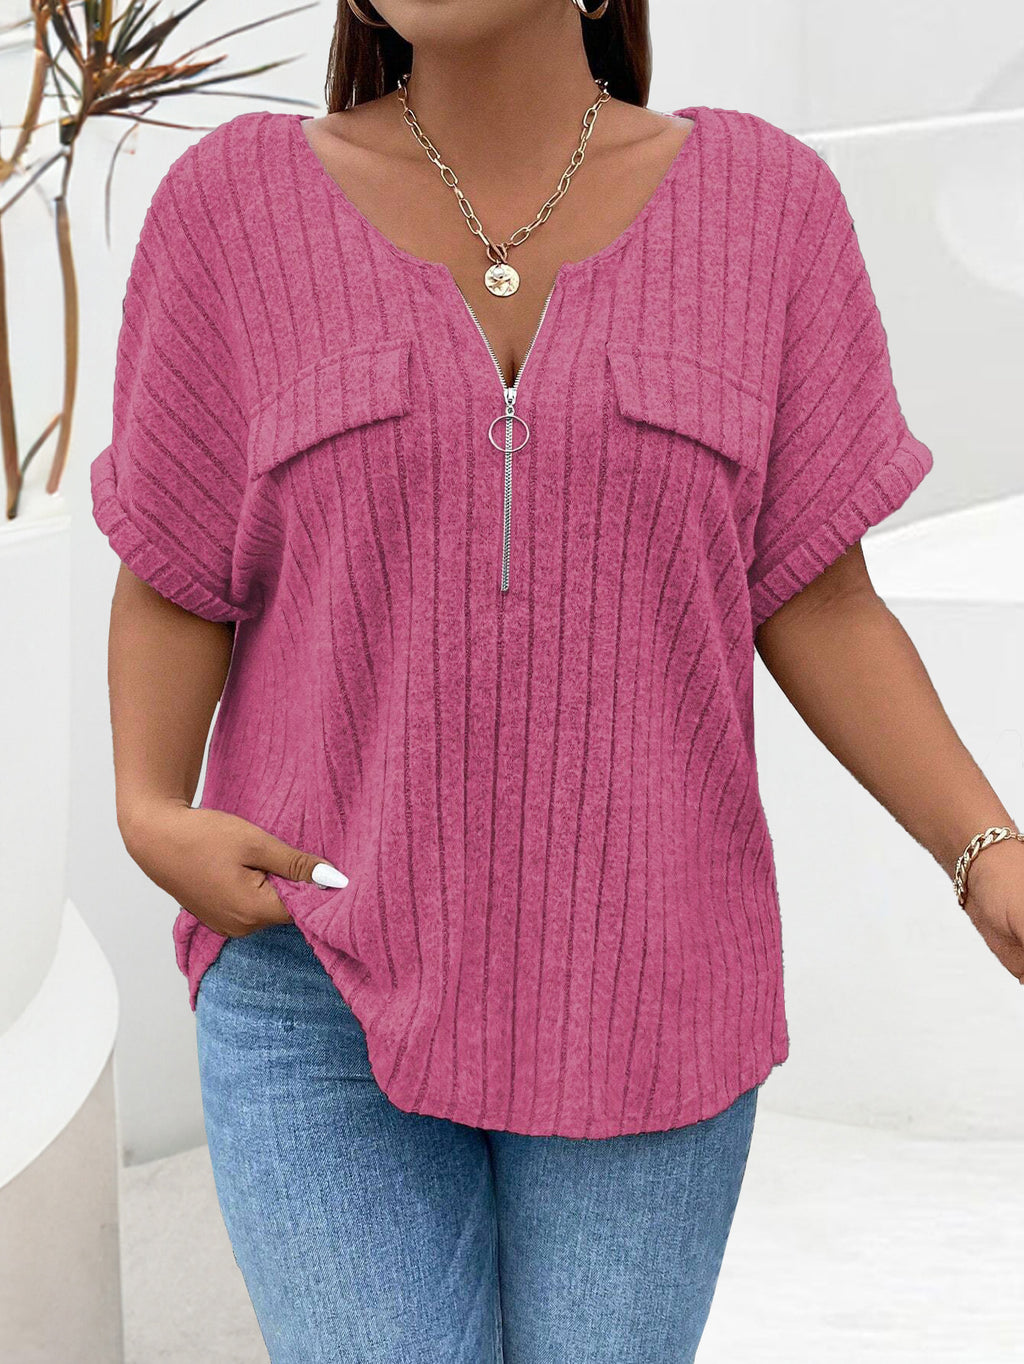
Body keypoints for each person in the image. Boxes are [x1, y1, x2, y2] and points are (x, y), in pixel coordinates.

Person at [90, 1, 1024, 1360]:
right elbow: (176, 567)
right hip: (316, 971)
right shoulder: (232, 209)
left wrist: (986, 851)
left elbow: (819, 596)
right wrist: (146, 809)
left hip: (652, 991)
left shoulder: (767, 209)